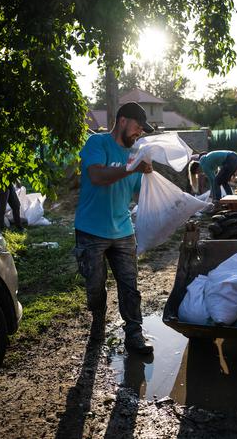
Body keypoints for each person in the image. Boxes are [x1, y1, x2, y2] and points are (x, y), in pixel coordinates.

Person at [74, 102, 155, 354]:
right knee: (96, 286)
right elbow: (97, 177)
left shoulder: (134, 156)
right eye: (137, 127)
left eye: (142, 130)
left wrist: (157, 188)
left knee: (130, 285)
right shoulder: (97, 144)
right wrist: (131, 168)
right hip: (91, 230)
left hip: (122, 230)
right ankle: (98, 323)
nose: (139, 133)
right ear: (122, 121)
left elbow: (139, 193)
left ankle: (134, 335)